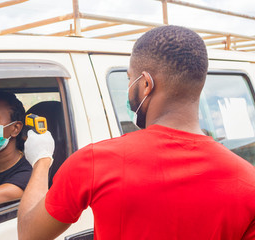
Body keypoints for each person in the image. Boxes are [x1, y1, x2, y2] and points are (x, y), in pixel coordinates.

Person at [18, 26, 255, 240]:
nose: (129, 86)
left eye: (129, 79)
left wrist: (41, 160)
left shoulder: (93, 162)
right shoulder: (249, 182)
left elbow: (29, 235)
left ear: (146, 84)